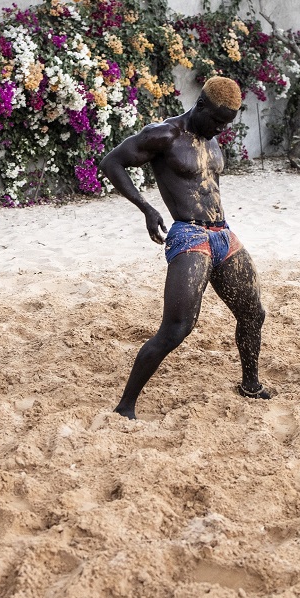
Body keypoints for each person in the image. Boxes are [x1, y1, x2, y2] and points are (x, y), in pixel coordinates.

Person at [99, 76, 270, 420]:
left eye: (228, 123)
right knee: (177, 328)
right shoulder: (164, 135)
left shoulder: (211, 138)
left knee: (254, 314)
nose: (221, 129)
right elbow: (111, 163)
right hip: (189, 234)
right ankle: (126, 405)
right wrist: (146, 208)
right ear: (201, 105)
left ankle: (250, 384)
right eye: (218, 120)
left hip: (222, 233)